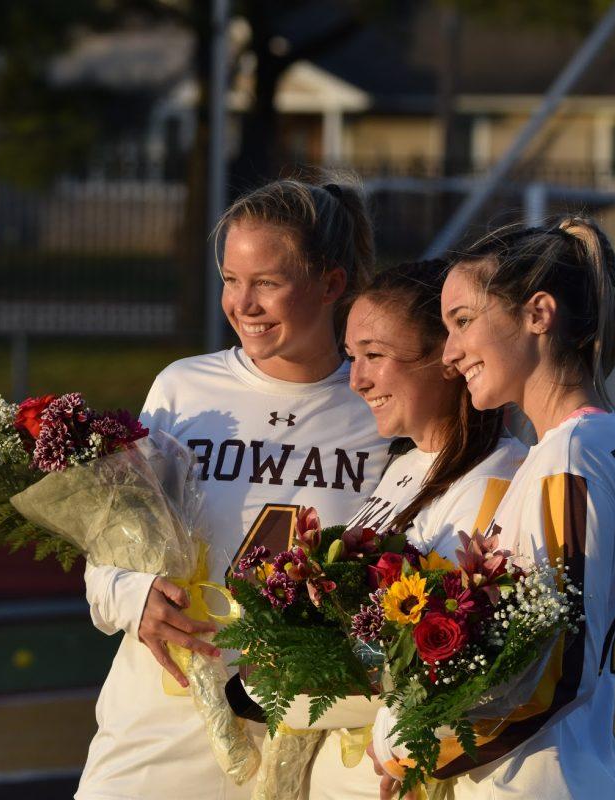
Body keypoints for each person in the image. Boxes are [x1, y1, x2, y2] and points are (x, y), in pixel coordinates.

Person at [75, 176, 392, 800]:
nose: (243, 303)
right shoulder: (183, 390)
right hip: (166, 716)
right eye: (230, 280)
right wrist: (133, 598)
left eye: (268, 283)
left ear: (331, 284)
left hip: (312, 736)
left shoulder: (377, 407)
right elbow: (109, 549)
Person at [369, 218, 615, 799]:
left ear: (538, 314)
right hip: (573, 766)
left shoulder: (570, 454)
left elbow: (554, 673)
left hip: (543, 779)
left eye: (463, 322)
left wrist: (408, 748)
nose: (449, 354)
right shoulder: (605, 440)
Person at [302, 259, 529, 799]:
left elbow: (457, 664)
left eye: (375, 356)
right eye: (352, 356)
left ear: (446, 359)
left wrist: (298, 676)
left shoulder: (502, 479)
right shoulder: (403, 464)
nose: (356, 379)